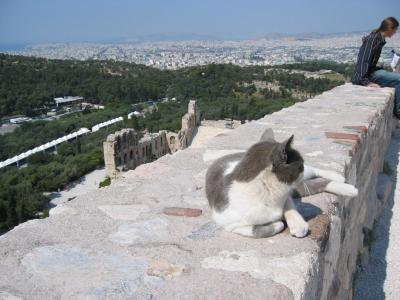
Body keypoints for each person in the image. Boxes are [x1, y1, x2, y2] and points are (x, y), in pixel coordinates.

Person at [351, 17, 400, 117]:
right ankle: (398, 112)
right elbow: (363, 61)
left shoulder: (378, 39)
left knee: (395, 76)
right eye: (395, 29)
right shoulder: (373, 40)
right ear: (390, 28)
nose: (396, 32)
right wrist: (366, 82)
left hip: (372, 72)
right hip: (367, 76)